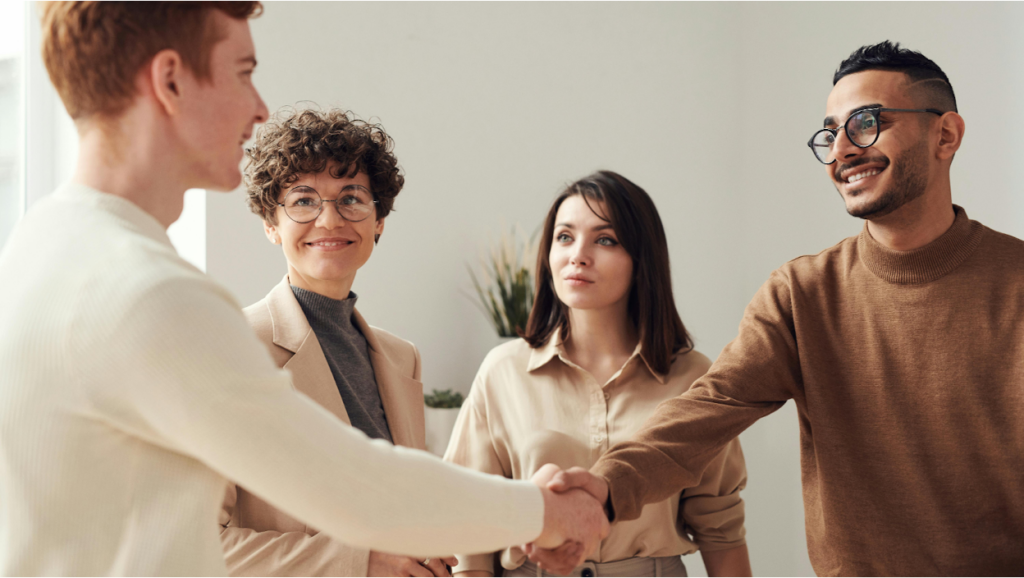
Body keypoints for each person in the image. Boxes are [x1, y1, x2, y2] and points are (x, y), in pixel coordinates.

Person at [0, 2, 608, 577]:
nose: (259, 108)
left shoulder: (37, 249)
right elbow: (350, 485)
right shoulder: (149, 294)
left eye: (350, 200)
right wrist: (549, 513)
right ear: (170, 80)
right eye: (243, 73)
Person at [531, 41, 1024, 576]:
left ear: (945, 135)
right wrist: (603, 488)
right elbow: (708, 409)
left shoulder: (1015, 284)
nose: (842, 151)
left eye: (865, 123)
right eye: (830, 134)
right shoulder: (802, 294)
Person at [446, 171, 752, 578]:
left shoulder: (694, 377)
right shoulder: (503, 371)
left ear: (641, 259)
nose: (578, 255)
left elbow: (721, 529)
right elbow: (470, 526)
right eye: (565, 237)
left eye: (605, 239)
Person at [218, 107, 454, 577]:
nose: (330, 220)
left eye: (352, 198)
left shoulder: (401, 358)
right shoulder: (231, 347)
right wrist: (355, 563)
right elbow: (195, 542)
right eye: (303, 201)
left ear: (378, 220)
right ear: (271, 224)